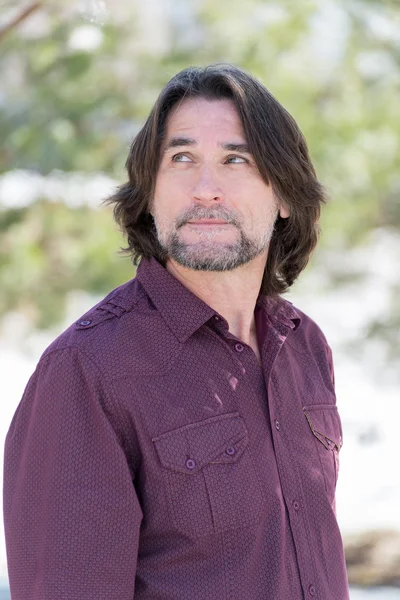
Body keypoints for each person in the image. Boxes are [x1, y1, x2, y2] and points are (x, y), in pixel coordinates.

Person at [3, 64, 349, 599]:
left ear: (284, 197)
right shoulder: (86, 371)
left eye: (236, 160)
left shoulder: (305, 346)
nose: (205, 189)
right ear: (149, 191)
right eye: (181, 159)